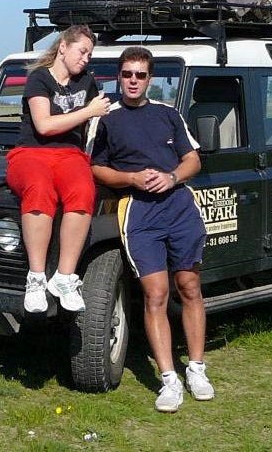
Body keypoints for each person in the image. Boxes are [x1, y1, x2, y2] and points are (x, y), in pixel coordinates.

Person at [90, 46, 215, 413]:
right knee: (155, 294)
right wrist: (130, 178)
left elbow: (193, 158)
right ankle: (169, 380)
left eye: (140, 75)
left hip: (178, 206)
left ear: (150, 78)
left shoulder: (168, 114)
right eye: (127, 74)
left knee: (189, 285)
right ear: (118, 76)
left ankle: (196, 369)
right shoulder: (108, 119)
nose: (132, 81)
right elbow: (97, 168)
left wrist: (171, 176)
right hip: (139, 212)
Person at [6, 25, 111, 314]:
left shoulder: (88, 82)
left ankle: (65, 277)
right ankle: (36, 277)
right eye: (82, 51)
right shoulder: (38, 79)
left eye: (90, 54)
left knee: (83, 190)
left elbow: (99, 123)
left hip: (70, 153)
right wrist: (89, 111)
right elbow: (44, 125)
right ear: (63, 47)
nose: (86, 59)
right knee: (39, 189)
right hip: (32, 151)